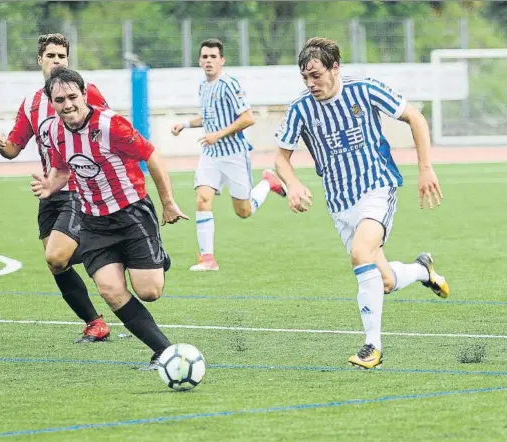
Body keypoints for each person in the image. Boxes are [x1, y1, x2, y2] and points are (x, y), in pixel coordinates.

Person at [274, 37, 450, 369]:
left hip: (377, 187)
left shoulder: (365, 90)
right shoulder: (300, 108)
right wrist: (293, 183)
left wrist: (425, 168)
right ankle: (422, 270)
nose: (311, 84)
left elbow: (415, 118)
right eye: (305, 78)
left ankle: (372, 347)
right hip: (340, 203)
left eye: (316, 75)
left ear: (335, 68)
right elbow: (280, 159)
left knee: (360, 253)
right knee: (384, 281)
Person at [32, 67, 188, 369]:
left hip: (131, 214)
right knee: (110, 290)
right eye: (59, 99)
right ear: (51, 102)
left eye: (72, 97)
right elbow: (63, 168)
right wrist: (52, 184)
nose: (67, 105)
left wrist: (168, 202)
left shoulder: (111, 124)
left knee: (149, 291)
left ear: (84, 94)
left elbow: (151, 155)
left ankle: (155, 256)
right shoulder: (53, 130)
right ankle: (164, 352)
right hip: (92, 221)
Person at [0, 34, 111, 343]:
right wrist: (2, 146)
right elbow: (15, 147)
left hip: (80, 188)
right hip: (49, 191)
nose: (57, 61)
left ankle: (114, 248)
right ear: (40, 60)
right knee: (57, 263)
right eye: (51, 56)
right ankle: (95, 322)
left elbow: (109, 129)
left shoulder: (87, 92)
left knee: (57, 256)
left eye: (62, 56)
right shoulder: (31, 104)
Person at [171, 38, 287, 272]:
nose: (209, 61)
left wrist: (218, 135)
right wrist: (184, 124)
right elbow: (208, 117)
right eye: (205, 57)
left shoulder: (229, 85)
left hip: (234, 155)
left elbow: (248, 117)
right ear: (199, 61)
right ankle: (207, 259)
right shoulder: (203, 86)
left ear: (222, 60)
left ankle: (267, 182)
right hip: (210, 154)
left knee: (243, 211)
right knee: (202, 199)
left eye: (213, 57)